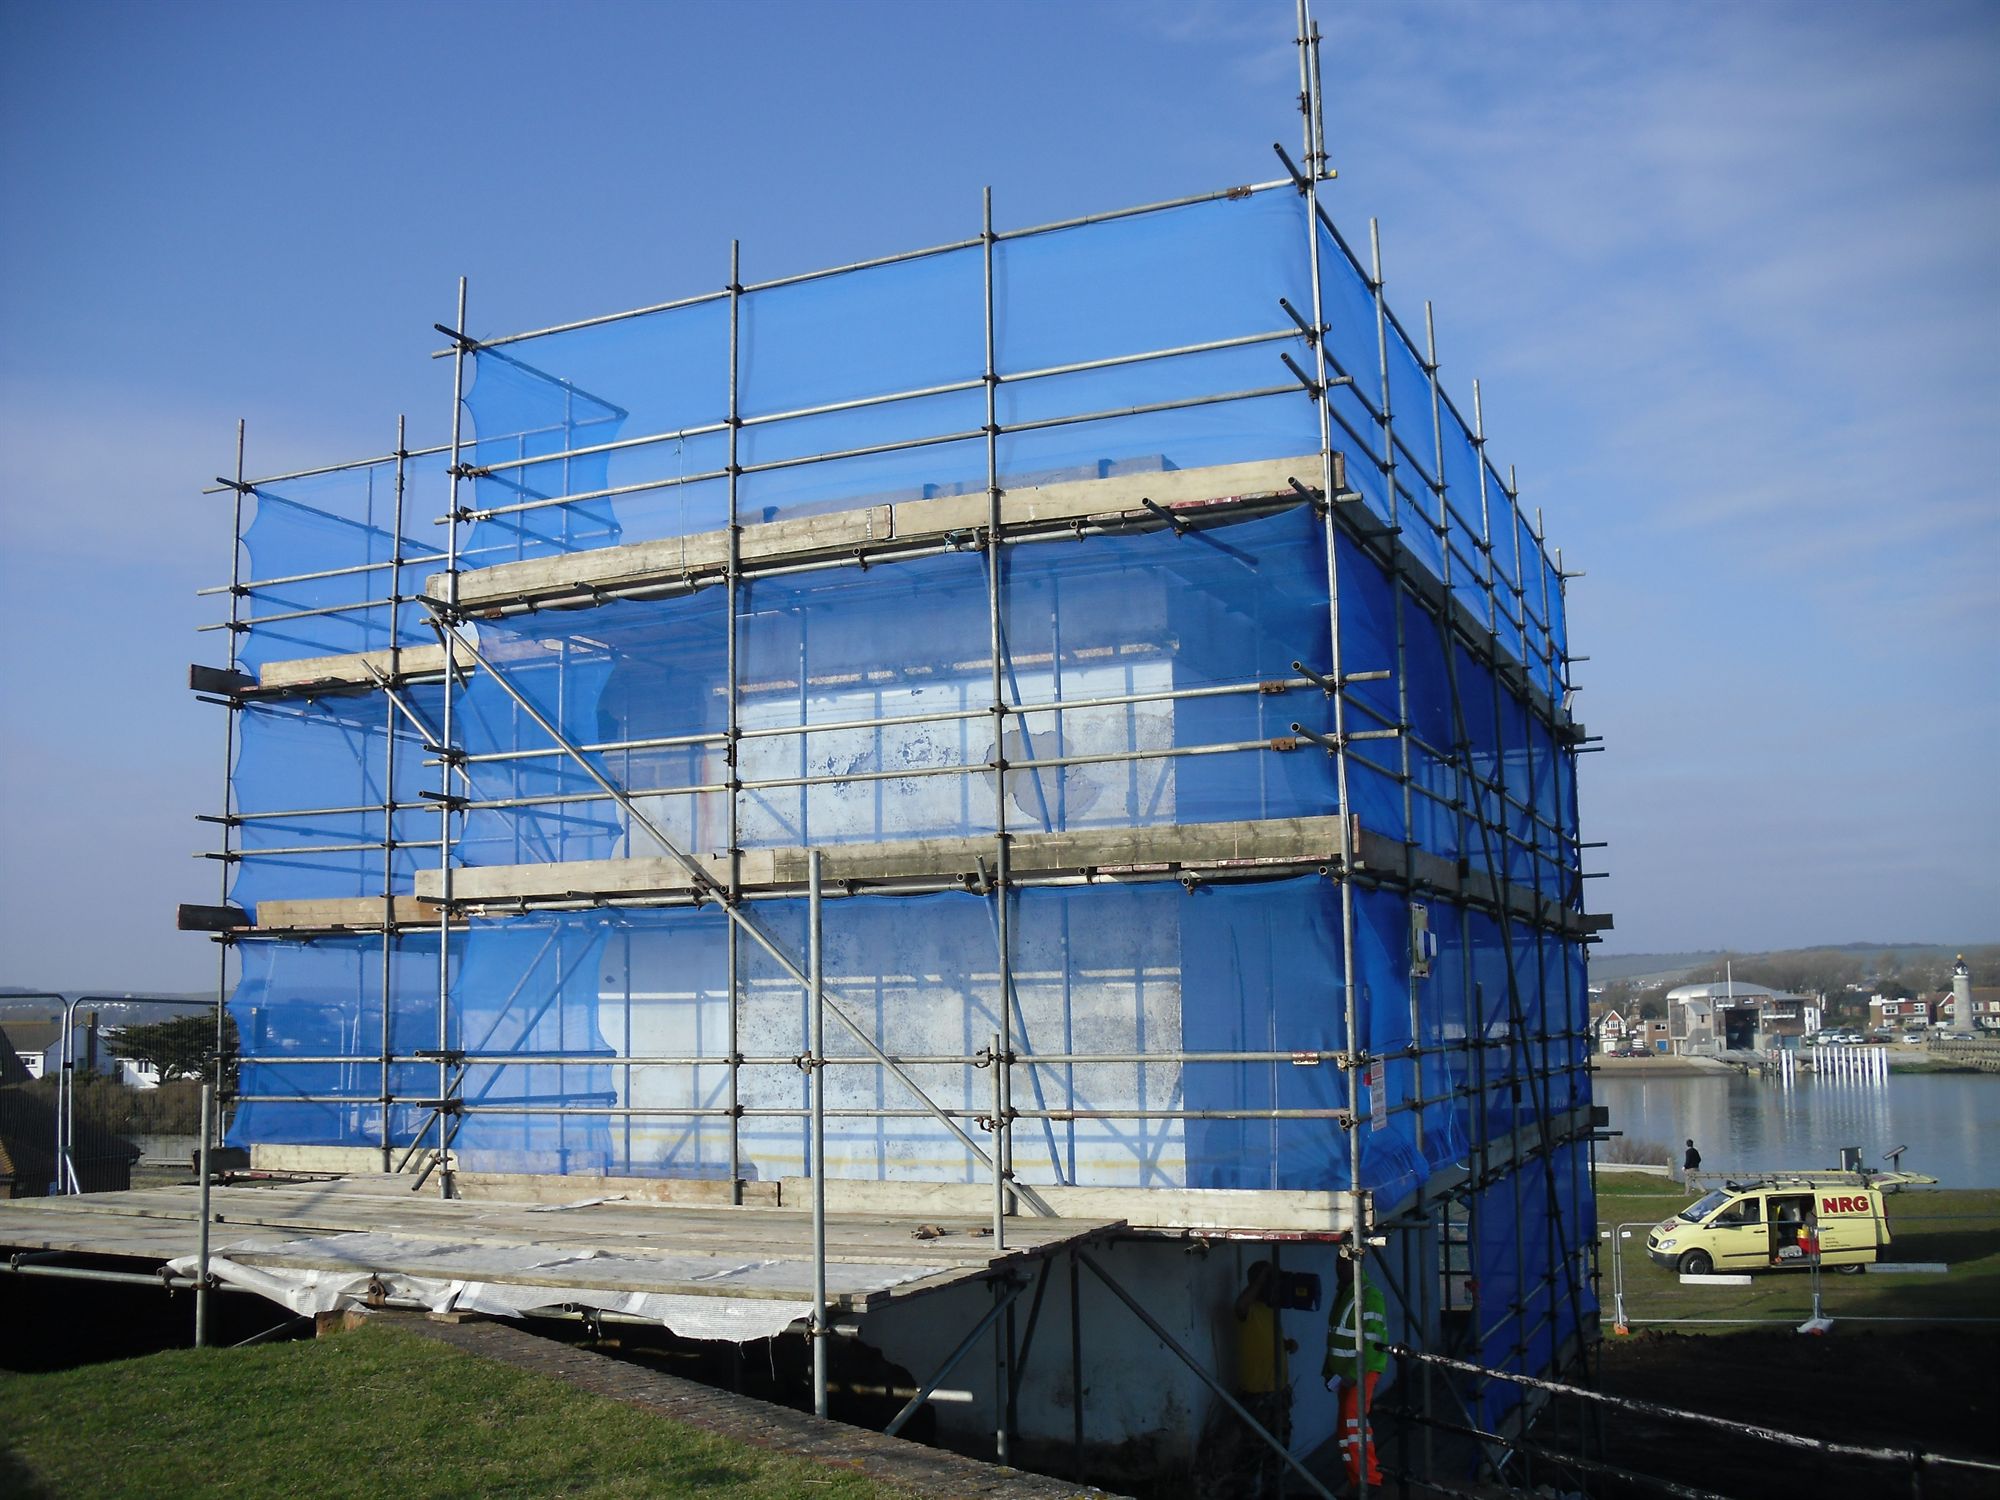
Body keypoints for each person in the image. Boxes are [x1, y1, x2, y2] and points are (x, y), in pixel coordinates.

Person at [1212, 1260, 1297, 1500]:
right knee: (1250, 1455)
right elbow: (1240, 1306)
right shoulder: (1248, 1310)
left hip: (1278, 1395)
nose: (1273, 1288)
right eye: (1268, 1282)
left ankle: (1271, 1494)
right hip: (1256, 1398)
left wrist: (1286, 1345)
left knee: (1277, 1454)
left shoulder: (1271, 1311)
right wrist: (1261, 1279)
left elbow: (1264, 1341)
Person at [1322, 1255, 1389, 1490]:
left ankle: (1369, 1483)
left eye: (1344, 1263)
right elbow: (1335, 1336)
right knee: (1346, 1430)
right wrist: (1329, 1370)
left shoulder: (1369, 1295)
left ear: (1357, 1263)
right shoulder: (1345, 1293)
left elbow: (1372, 1342)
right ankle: (1358, 1482)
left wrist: (1352, 1374)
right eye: (1337, 1262)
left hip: (1360, 1372)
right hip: (1346, 1375)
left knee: (1353, 1425)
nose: (1339, 1267)